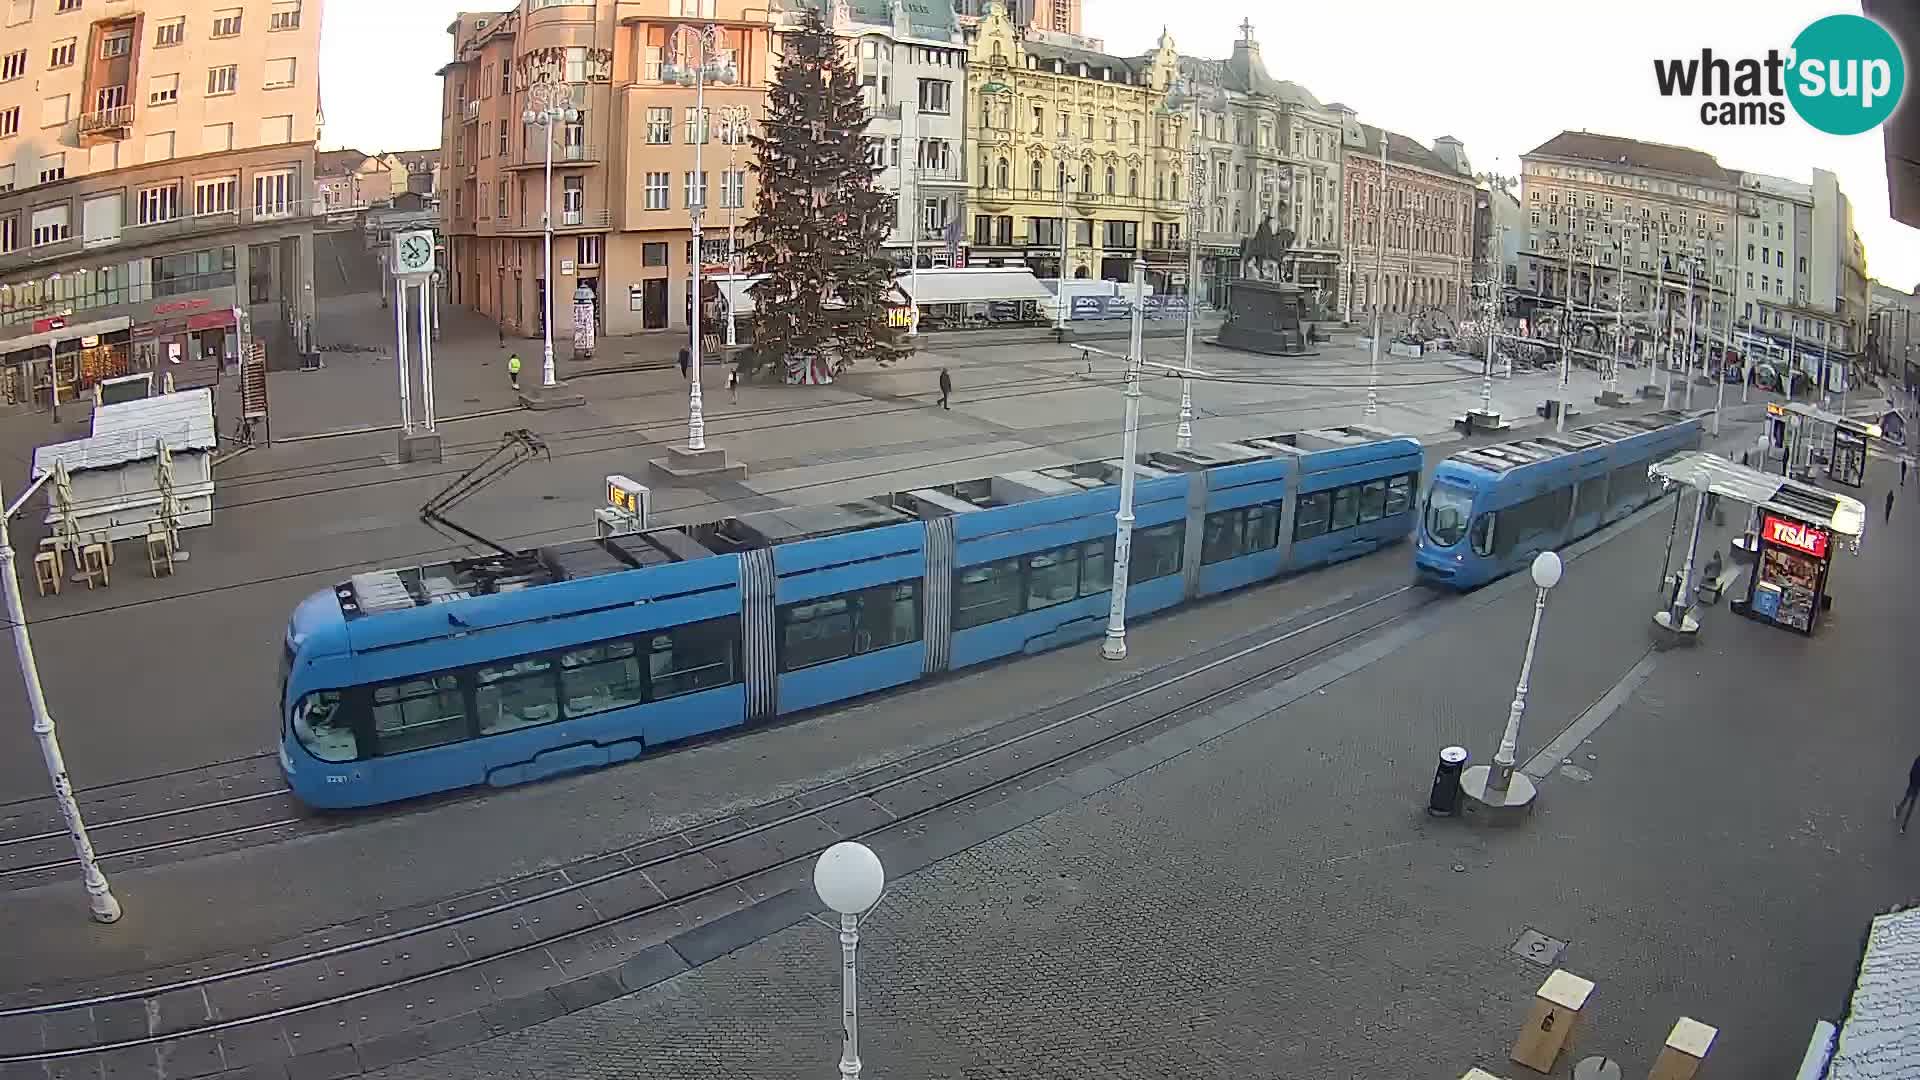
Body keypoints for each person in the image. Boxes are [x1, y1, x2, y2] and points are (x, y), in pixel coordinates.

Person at [1897, 753, 1920, 833]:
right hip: (1916, 788)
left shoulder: (1917, 760)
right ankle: (1904, 826)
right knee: (1911, 806)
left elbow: (1911, 772)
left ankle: (1898, 810)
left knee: (1906, 799)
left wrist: (1911, 783)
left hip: (1912, 785)